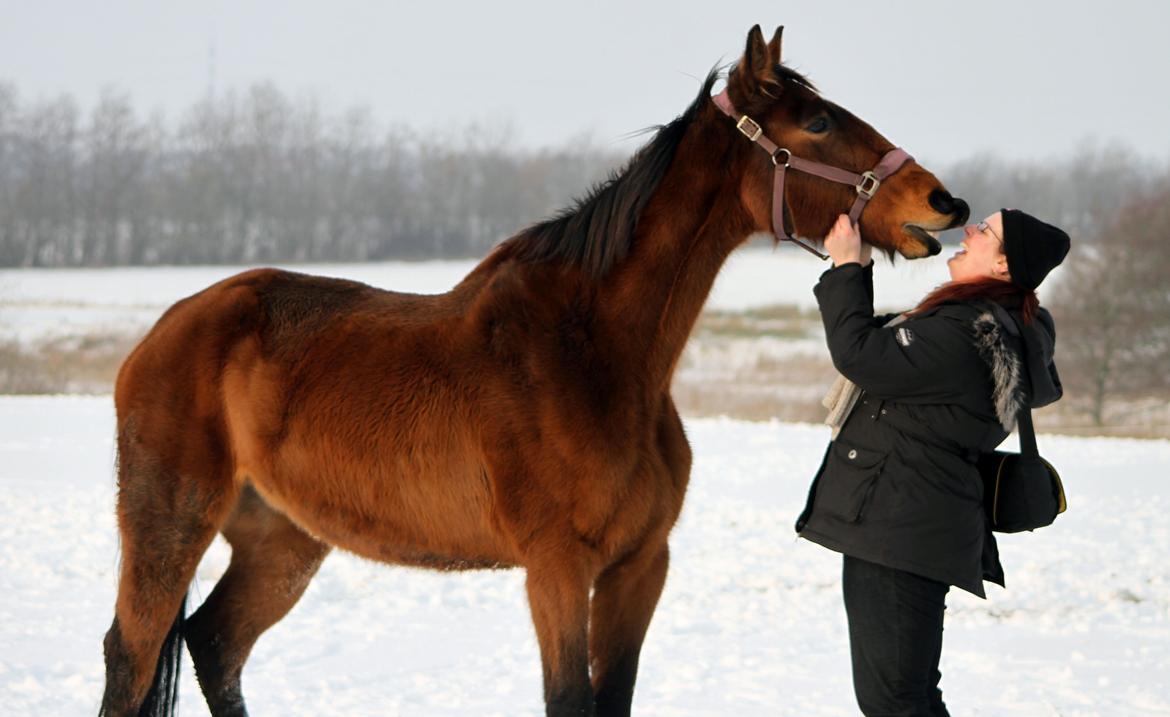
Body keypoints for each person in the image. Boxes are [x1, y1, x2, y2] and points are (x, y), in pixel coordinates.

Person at [795, 210, 1071, 716]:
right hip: (912, 526)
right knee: (910, 696)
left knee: (894, 701)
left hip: (900, 531)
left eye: (984, 232)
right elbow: (886, 354)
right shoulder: (985, 323)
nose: (968, 234)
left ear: (1006, 267)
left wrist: (846, 270)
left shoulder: (970, 330)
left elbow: (863, 355)